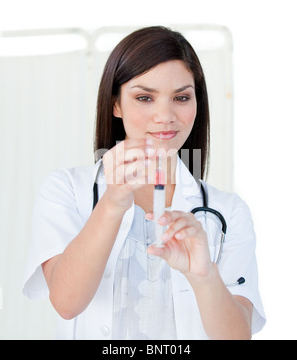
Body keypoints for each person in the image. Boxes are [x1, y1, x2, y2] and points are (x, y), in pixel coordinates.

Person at [23, 26, 266, 340]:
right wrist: (111, 204)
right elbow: (66, 303)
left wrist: (204, 276)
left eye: (181, 97)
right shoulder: (66, 189)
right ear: (116, 104)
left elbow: (237, 336)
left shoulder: (227, 211)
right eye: (144, 97)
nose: (165, 115)